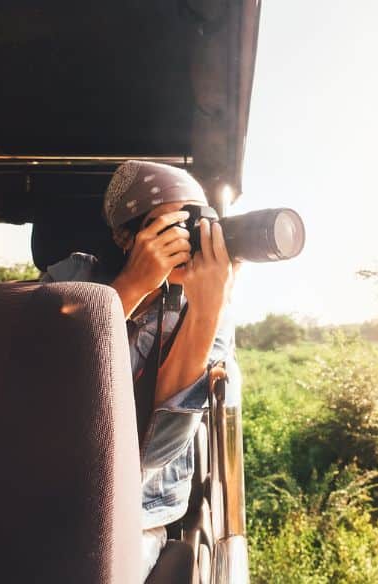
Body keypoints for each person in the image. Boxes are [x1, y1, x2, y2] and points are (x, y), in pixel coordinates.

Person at [42, 160, 240, 581]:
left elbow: (154, 452)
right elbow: (44, 380)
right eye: (173, 225)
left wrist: (206, 312)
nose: (190, 239)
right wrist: (132, 286)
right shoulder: (74, 277)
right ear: (124, 236)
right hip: (48, 490)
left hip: (138, 514)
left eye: (200, 223)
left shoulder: (208, 304)